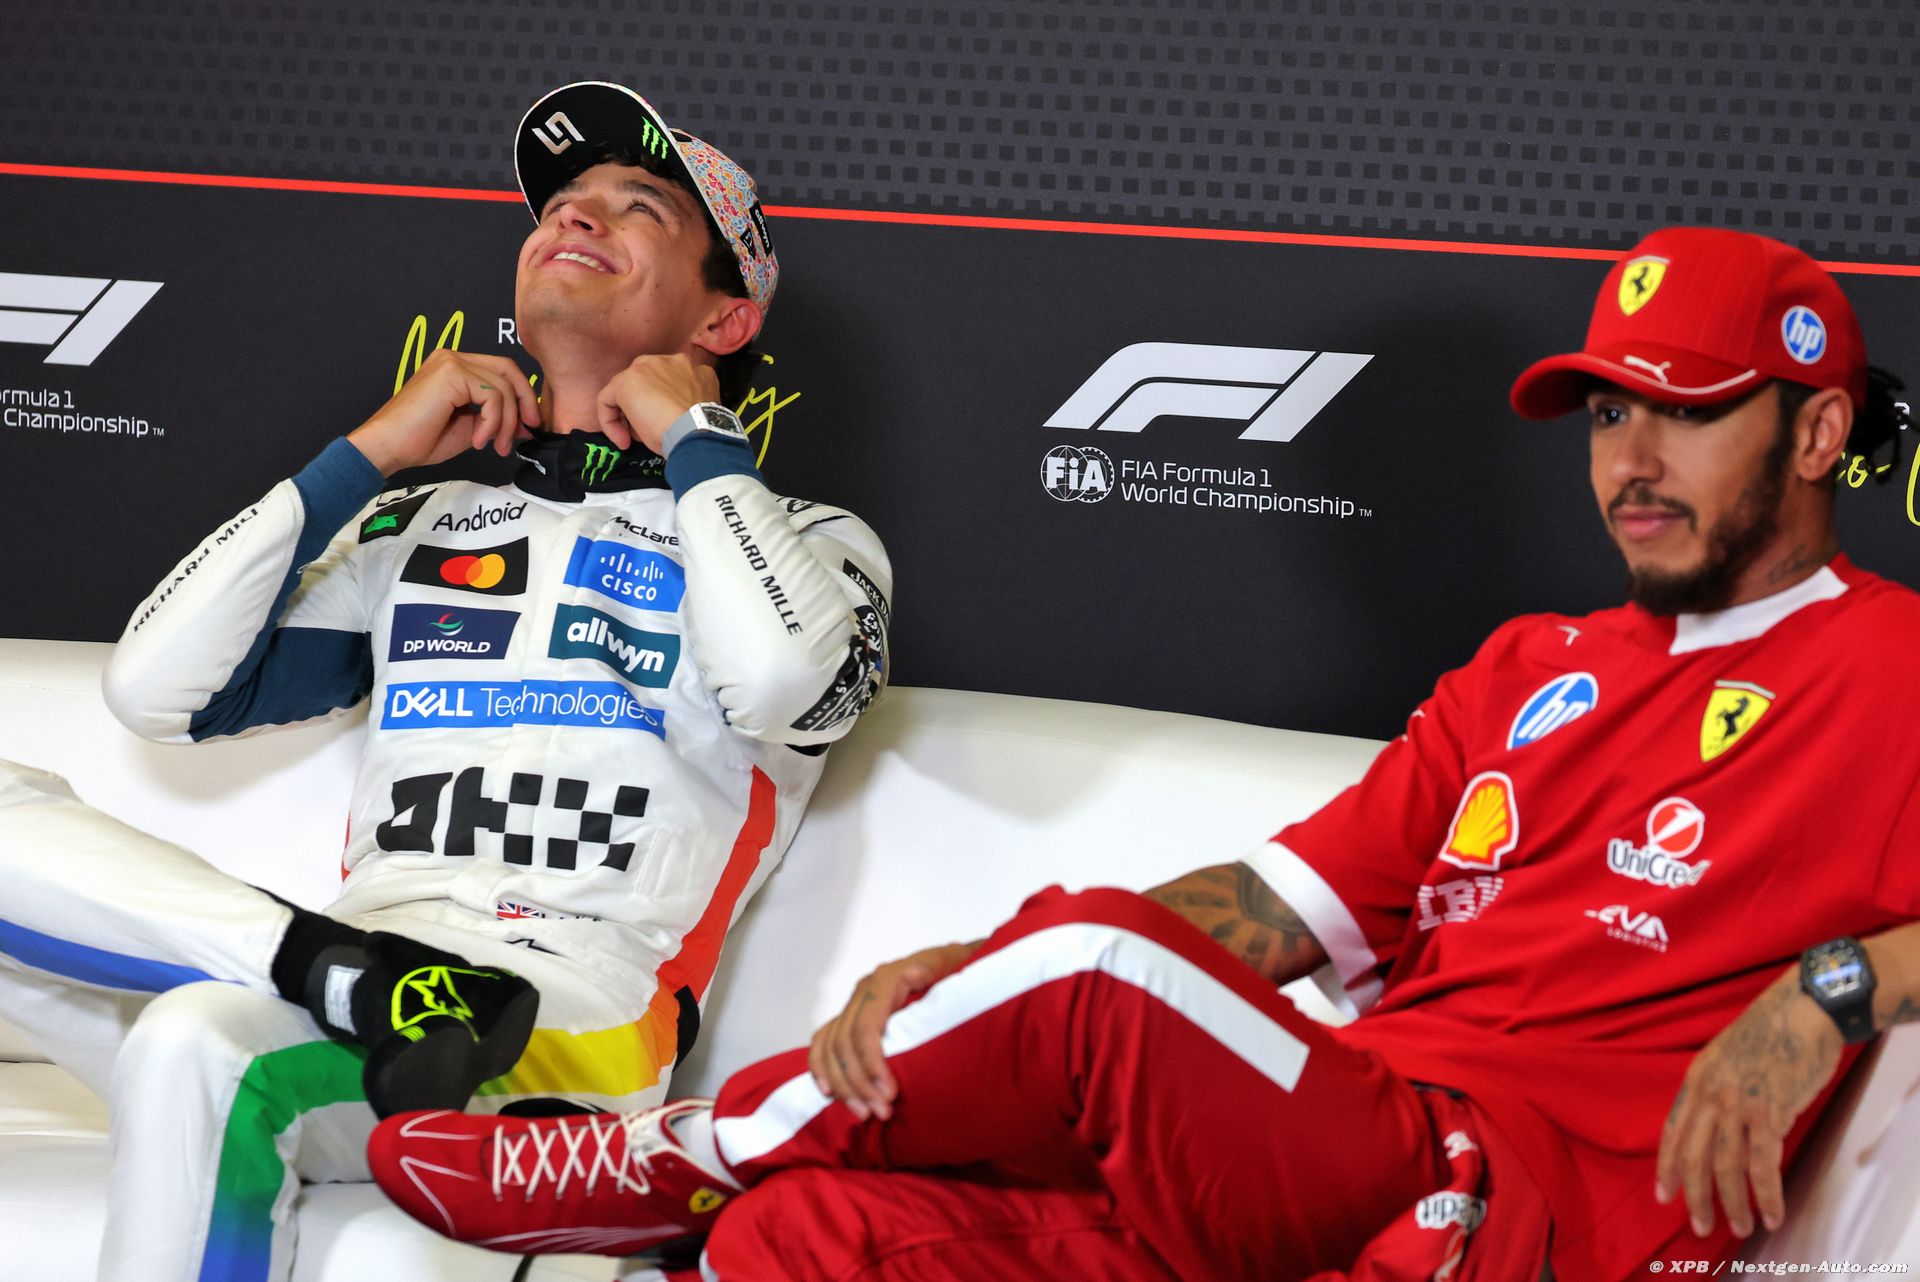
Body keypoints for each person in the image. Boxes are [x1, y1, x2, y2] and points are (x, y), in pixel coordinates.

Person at [369, 225, 1918, 1281]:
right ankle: (736, 1180)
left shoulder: (1889, 663)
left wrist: (1836, 986)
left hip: (1502, 1193)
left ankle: (661, 1153)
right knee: (804, 1236)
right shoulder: (1533, 668)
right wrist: (973, 987)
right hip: (1321, 1161)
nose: (1631, 461)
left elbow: (1113, 971)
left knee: (1094, 962)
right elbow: (1273, 909)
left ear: (1817, 433)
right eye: (1604, 415)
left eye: (1687, 413)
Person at [0, 80, 892, 1282]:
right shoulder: (416, 521)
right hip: (357, 990)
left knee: (204, 1043)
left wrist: (699, 441)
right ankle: (350, 974)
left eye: (638, 207)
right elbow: (156, 689)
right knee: (183, 1007)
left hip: (566, 1024)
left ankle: (348, 980)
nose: (576, 215)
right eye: (563, 201)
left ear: (726, 318)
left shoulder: (807, 544)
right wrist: (362, 456)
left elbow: (791, 684)